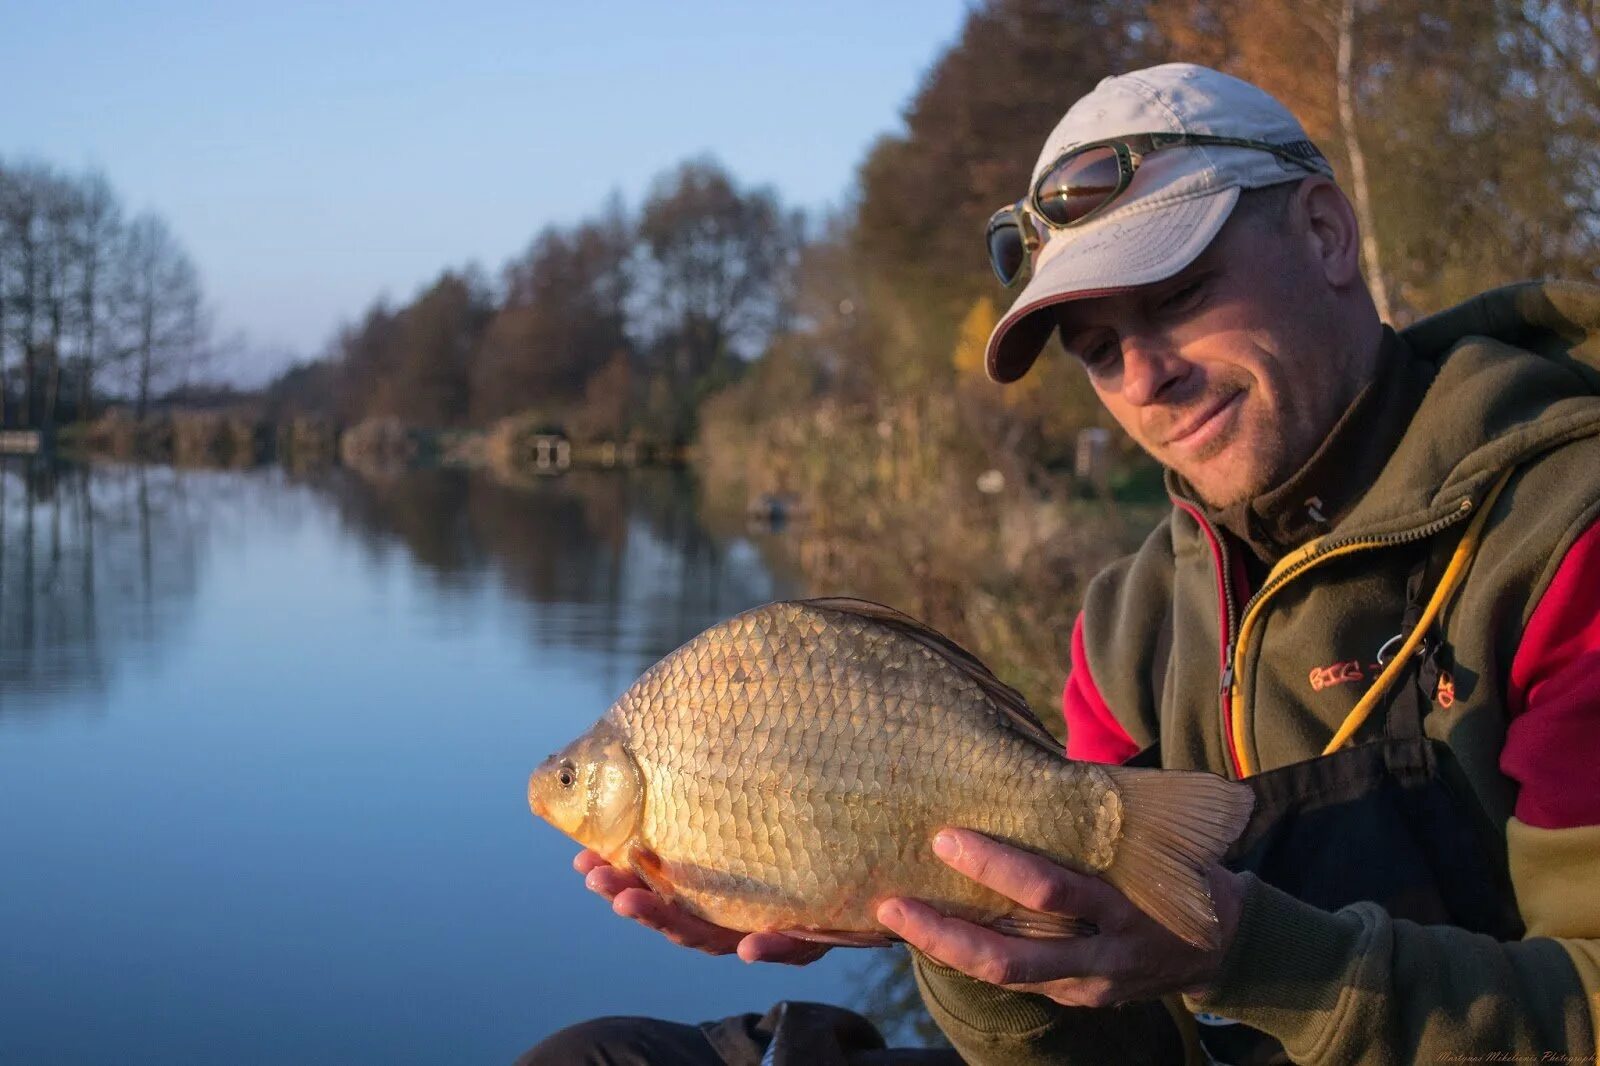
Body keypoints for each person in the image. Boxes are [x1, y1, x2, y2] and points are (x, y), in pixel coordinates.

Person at [520, 63, 1600, 1065]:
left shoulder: (1564, 536)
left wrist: (1251, 951)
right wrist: (943, 919)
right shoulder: (1127, 622)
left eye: (1177, 295)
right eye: (1095, 349)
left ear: (1324, 234)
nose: (1143, 378)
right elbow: (1115, 1050)